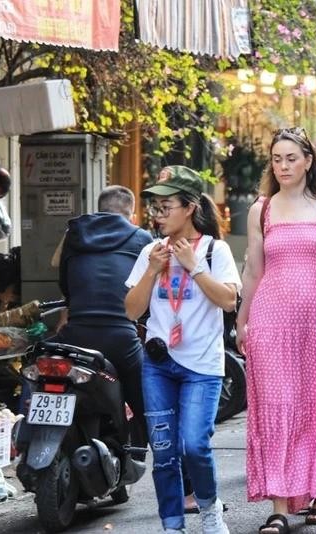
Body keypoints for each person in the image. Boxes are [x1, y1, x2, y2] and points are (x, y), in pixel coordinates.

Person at [236, 127, 316, 534]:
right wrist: (241, 318)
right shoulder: (261, 209)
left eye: (291, 158)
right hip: (270, 317)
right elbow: (253, 269)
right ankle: (279, 506)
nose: (283, 166)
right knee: (275, 407)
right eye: (276, 159)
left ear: (307, 160)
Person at [125, 166, 239, 534]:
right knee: (163, 453)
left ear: (189, 207)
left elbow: (229, 301)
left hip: (202, 368)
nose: (158, 215)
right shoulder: (150, 252)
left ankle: (209, 511)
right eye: (154, 207)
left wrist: (194, 268)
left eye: (165, 206)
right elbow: (131, 310)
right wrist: (150, 271)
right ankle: (172, 525)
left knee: (194, 447)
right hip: (158, 365)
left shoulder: (214, 250)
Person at [56, 185, 153, 452]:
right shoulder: (141, 238)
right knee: (148, 400)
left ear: (99, 209)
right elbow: (149, 291)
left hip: (74, 338)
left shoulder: (75, 234)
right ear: (130, 214)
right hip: (120, 339)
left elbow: (65, 285)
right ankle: (153, 450)